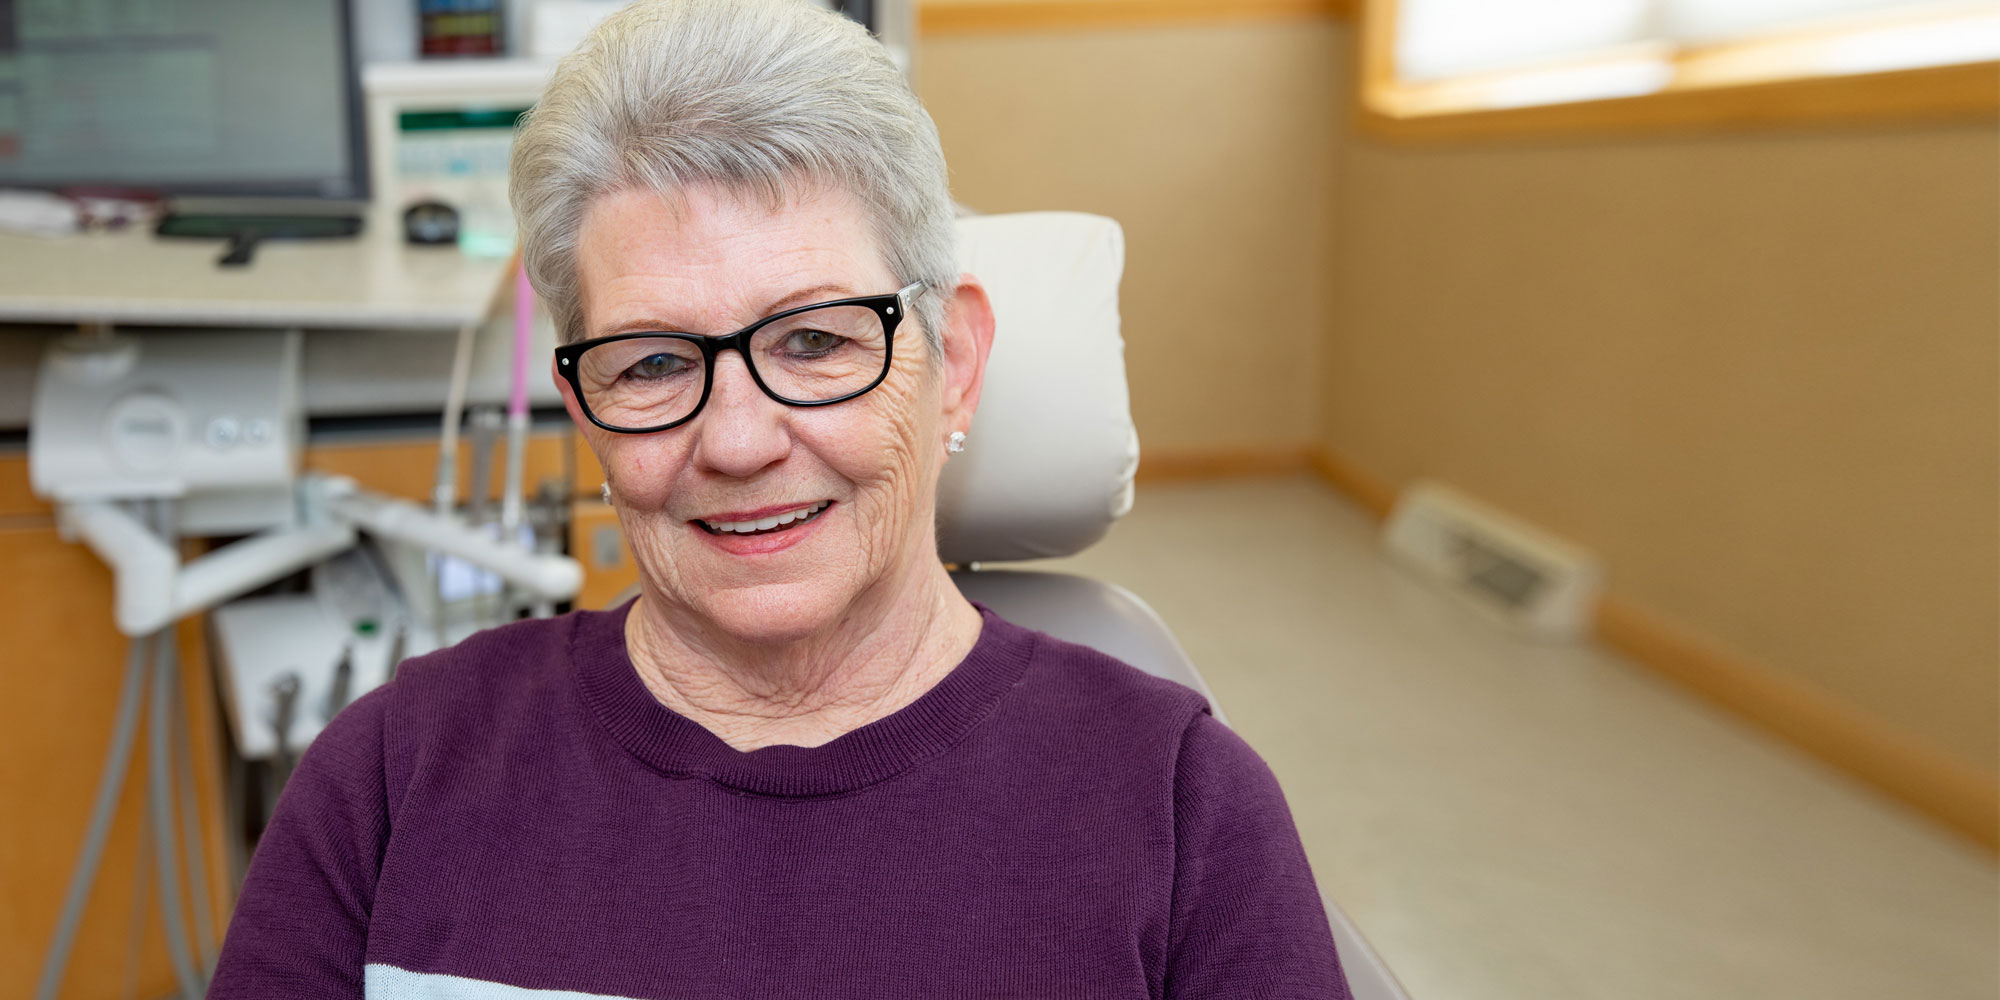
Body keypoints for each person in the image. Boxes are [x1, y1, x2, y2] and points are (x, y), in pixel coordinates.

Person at [208, 1, 1351, 995]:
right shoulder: (391, 779)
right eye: (652, 363)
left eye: (812, 340)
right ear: (584, 407)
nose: (738, 440)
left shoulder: (1181, 808)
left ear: (949, 358)